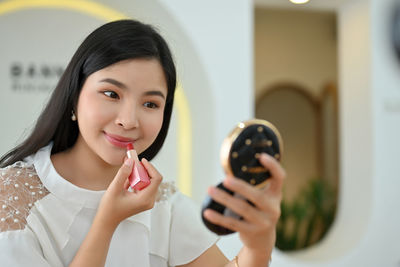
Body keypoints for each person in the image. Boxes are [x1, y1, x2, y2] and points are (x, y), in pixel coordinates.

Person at [0, 19, 285, 267]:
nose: (129, 120)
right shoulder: (11, 196)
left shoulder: (161, 201)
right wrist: (107, 221)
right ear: (74, 96)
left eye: (150, 103)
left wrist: (258, 247)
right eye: (111, 94)